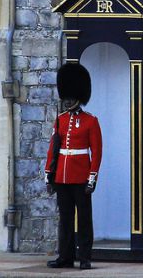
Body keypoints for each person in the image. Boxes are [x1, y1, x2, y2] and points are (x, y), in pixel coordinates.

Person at [44, 62, 102, 270]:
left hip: (81, 177)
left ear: (78, 96)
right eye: (65, 97)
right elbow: (53, 149)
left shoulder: (90, 121)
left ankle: (85, 257)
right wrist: (49, 175)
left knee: (84, 219)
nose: (67, 100)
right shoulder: (60, 120)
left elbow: (96, 153)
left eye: (70, 96)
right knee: (65, 219)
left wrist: (92, 178)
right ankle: (65, 256)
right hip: (62, 177)